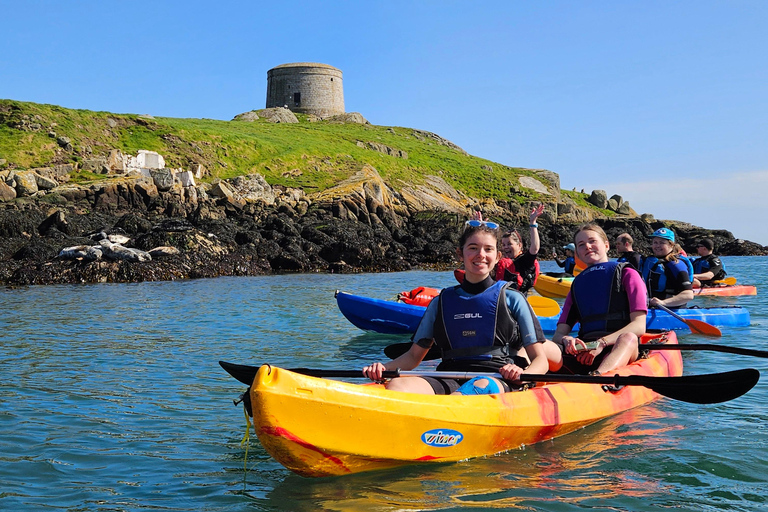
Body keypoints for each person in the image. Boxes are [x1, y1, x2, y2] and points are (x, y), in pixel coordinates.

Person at [362, 219, 552, 395]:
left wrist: (521, 372)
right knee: (398, 386)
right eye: (473, 248)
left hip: (496, 378)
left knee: (479, 386)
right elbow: (413, 357)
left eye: (488, 249)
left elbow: (540, 361)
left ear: (497, 257)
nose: (481, 255)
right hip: (448, 377)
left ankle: (446, 416)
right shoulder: (441, 302)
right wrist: (383, 368)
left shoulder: (513, 299)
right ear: (460, 253)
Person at [545, 223, 646, 375]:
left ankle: (599, 379)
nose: (587, 246)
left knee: (629, 338)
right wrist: (566, 339)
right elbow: (558, 335)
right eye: (581, 244)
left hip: (617, 348)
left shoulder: (627, 273)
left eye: (592, 241)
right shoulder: (577, 284)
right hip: (584, 353)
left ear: (606, 245)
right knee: (541, 344)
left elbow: (639, 326)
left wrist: (601, 343)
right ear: (577, 253)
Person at [495, 204, 545, 294]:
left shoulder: (525, 261)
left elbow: (535, 248)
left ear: (519, 245)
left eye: (509, 244)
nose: (505, 247)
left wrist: (533, 223)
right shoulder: (498, 260)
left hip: (517, 302)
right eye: (503, 244)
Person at [641, 228, 694, 308]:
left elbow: (688, 294)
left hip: (668, 309)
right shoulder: (650, 261)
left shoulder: (676, 265)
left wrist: (663, 303)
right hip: (650, 306)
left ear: (671, 245)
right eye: (655, 242)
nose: (657, 246)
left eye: (662, 243)